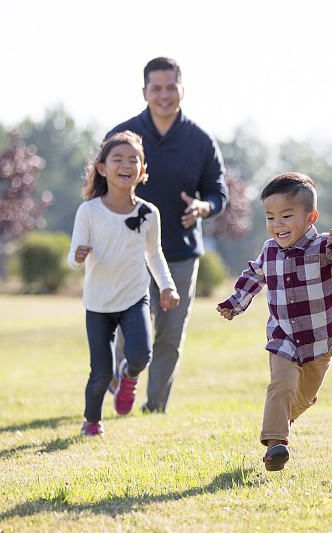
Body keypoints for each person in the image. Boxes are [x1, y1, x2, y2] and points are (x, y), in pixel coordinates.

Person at [216, 173, 332, 471]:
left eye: (286, 216)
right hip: (283, 334)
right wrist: (235, 303)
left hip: (320, 339)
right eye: (270, 217)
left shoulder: (326, 247)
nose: (278, 224)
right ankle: (276, 445)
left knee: (303, 398)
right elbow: (254, 276)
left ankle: (286, 417)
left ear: (310, 217)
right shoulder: (269, 250)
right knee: (281, 384)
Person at [105, 57, 228, 413]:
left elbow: (218, 191)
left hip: (181, 253)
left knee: (170, 336)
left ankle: (155, 407)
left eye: (171, 87)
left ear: (182, 91)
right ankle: (122, 385)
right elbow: (101, 186)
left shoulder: (200, 140)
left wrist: (204, 207)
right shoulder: (123, 135)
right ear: (144, 92)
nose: (164, 95)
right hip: (130, 251)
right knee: (129, 332)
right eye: (156, 88)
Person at [68, 131, 180, 437]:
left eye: (133, 160)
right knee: (100, 373)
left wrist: (167, 286)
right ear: (102, 168)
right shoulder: (89, 211)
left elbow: (154, 254)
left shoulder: (149, 213)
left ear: (142, 170)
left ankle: (128, 376)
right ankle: (92, 422)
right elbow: (73, 258)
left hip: (134, 297)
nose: (126, 164)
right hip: (98, 303)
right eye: (118, 159)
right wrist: (76, 257)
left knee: (142, 355)